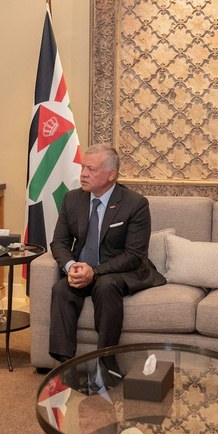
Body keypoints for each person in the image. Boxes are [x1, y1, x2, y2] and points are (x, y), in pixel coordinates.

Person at [48, 143, 166, 378]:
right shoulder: (73, 199)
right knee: (62, 288)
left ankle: (106, 362)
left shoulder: (135, 204)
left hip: (121, 270)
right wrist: (72, 267)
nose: (83, 174)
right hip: (85, 270)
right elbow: (59, 243)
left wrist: (95, 271)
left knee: (106, 285)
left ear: (111, 175)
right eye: (83, 167)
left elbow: (134, 254)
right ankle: (64, 365)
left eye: (91, 169)